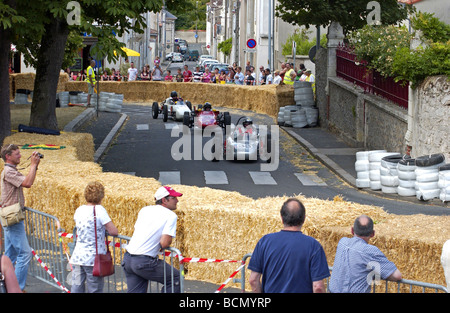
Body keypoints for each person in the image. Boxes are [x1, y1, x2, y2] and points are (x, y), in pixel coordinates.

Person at [248, 198, 330, 293]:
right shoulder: (314, 246)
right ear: (304, 219)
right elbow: (318, 287)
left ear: (282, 218)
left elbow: (253, 280)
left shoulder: (265, 242)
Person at [122, 186, 183, 293]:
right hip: (144, 261)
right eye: (174, 198)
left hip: (128, 258)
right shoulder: (171, 216)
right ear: (164, 200)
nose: (177, 200)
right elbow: (164, 243)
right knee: (176, 278)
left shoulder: (144, 210)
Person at [1, 144, 41, 292]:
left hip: (10, 216)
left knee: (10, 255)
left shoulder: (10, 171)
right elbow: (28, 183)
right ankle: (17, 288)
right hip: (12, 218)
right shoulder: (8, 172)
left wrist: (34, 167)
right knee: (24, 254)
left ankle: (4, 286)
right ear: (8, 156)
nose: (20, 156)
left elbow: (27, 179)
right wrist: (33, 165)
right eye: (17, 154)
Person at [328, 215, 402, 293]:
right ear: (372, 234)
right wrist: (374, 273)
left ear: (352, 230)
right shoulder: (370, 251)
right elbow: (397, 276)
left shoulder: (342, 242)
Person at [69, 181, 118, 293]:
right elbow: (113, 231)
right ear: (101, 196)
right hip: (93, 258)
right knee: (94, 288)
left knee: (76, 287)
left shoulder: (79, 210)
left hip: (77, 256)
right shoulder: (99, 210)